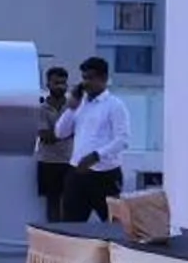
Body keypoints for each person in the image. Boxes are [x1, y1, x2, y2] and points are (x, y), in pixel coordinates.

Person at [54, 55, 132, 222]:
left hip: (105, 176)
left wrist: (96, 156)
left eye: (90, 78)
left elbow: (122, 139)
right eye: (83, 78)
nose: (85, 83)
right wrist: (71, 108)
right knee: (70, 227)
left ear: (103, 78)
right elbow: (60, 133)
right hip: (77, 174)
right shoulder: (80, 104)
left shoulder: (114, 105)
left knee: (114, 225)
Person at [35, 65, 73, 221]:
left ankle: (68, 239)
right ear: (48, 84)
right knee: (52, 204)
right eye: (56, 83)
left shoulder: (73, 107)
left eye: (63, 83)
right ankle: (53, 238)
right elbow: (45, 137)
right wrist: (68, 132)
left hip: (70, 162)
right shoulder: (41, 108)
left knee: (71, 204)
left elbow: (81, 130)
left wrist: (58, 134)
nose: (61, 87)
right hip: (48, 162)